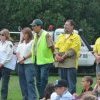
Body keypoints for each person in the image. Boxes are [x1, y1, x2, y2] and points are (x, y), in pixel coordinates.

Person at [54, 19, 81, 94]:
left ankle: (71, 98)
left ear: (72, 26)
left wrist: (63, 57)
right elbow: (56, 46)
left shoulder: (76, 37)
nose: (65, 26)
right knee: (62, 84)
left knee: (71, 84)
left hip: (70, 63)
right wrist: (56, 55)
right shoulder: (60, 36)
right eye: (64, 25)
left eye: (67, 25)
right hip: (61, 63)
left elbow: (73, 50)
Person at [30, 19, 54, 99]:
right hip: (36, 61)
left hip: (45, 62)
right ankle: (41, 97)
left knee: (43, 82)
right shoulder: (35, 35)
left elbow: (52, 47)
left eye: (34, 26)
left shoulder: (46, 34)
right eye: (32, 26)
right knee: (38, 82)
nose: (32, 27)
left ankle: (45, 97)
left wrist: (53, 56)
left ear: (39, 26)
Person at [16, 27, 37, 100]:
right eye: (22, 34)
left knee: (29, 82)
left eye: (25, 34)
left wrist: (24, 58)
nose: (23, 35)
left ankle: (32, 98)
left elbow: (32, 52)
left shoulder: (33, 42)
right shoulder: (21, 43)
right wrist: (19, 59)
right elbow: (17, 52)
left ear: (29, 34)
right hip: (20, 64)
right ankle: (25, 97)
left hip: (29, 64)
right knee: (22, 82)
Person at [0, 29, 13, 100]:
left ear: (6, 35)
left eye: (2, 35)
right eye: (0, 34)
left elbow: (9, 56)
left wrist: (2, 63)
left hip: (6, 67)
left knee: (4, 86)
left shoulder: (9, 43)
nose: (0, 36)